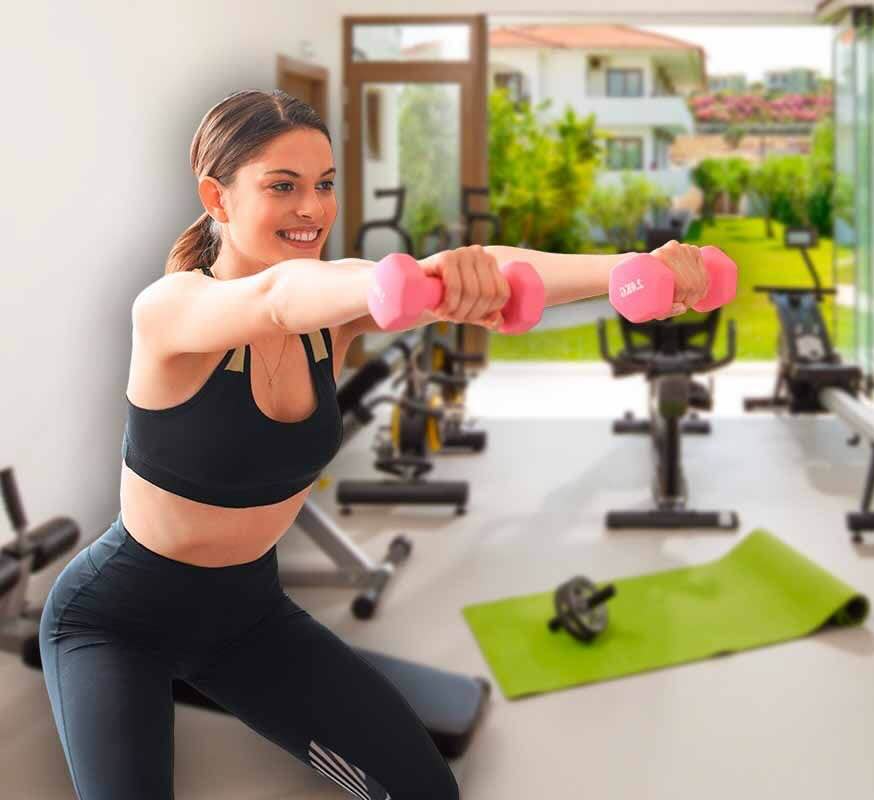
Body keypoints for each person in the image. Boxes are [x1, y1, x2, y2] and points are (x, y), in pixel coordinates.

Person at [37, 88, 713, 800]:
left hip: (245, 615)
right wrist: (401, 281)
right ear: (217, 196)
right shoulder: (172, 309)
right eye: (283, 186)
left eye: (325, 185)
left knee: (425, 790)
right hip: (115, 620)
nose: (312, 208)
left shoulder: (331, 320)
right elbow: (274, 299)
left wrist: (631, 272)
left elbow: (485, 267)